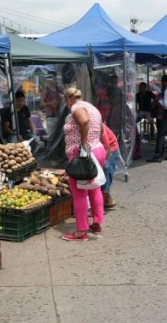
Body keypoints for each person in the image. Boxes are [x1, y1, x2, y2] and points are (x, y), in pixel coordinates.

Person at [62, 86, 106, 242]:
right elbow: (101, 129)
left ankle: (81, 231)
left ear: (68, 99)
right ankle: (97, 222)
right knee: (94, 187)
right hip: (97, 149)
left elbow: (84, 121)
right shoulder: (91, 106)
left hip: (83, 154)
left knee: (79, 192)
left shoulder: (76, 107)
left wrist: (83, 144)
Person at [147, 75, 167, 163]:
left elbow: (166, 104)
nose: (161, 84)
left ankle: (158, 156)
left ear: (164, 81)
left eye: (162, 82)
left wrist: (158, 101)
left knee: (161, 135)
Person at [100, 123, 118, 208]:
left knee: (106, 171)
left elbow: (106, 145)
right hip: (99, 147)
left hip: (109, 147)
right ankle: (108, 200)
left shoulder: (96, 124)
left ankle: (100, 205)